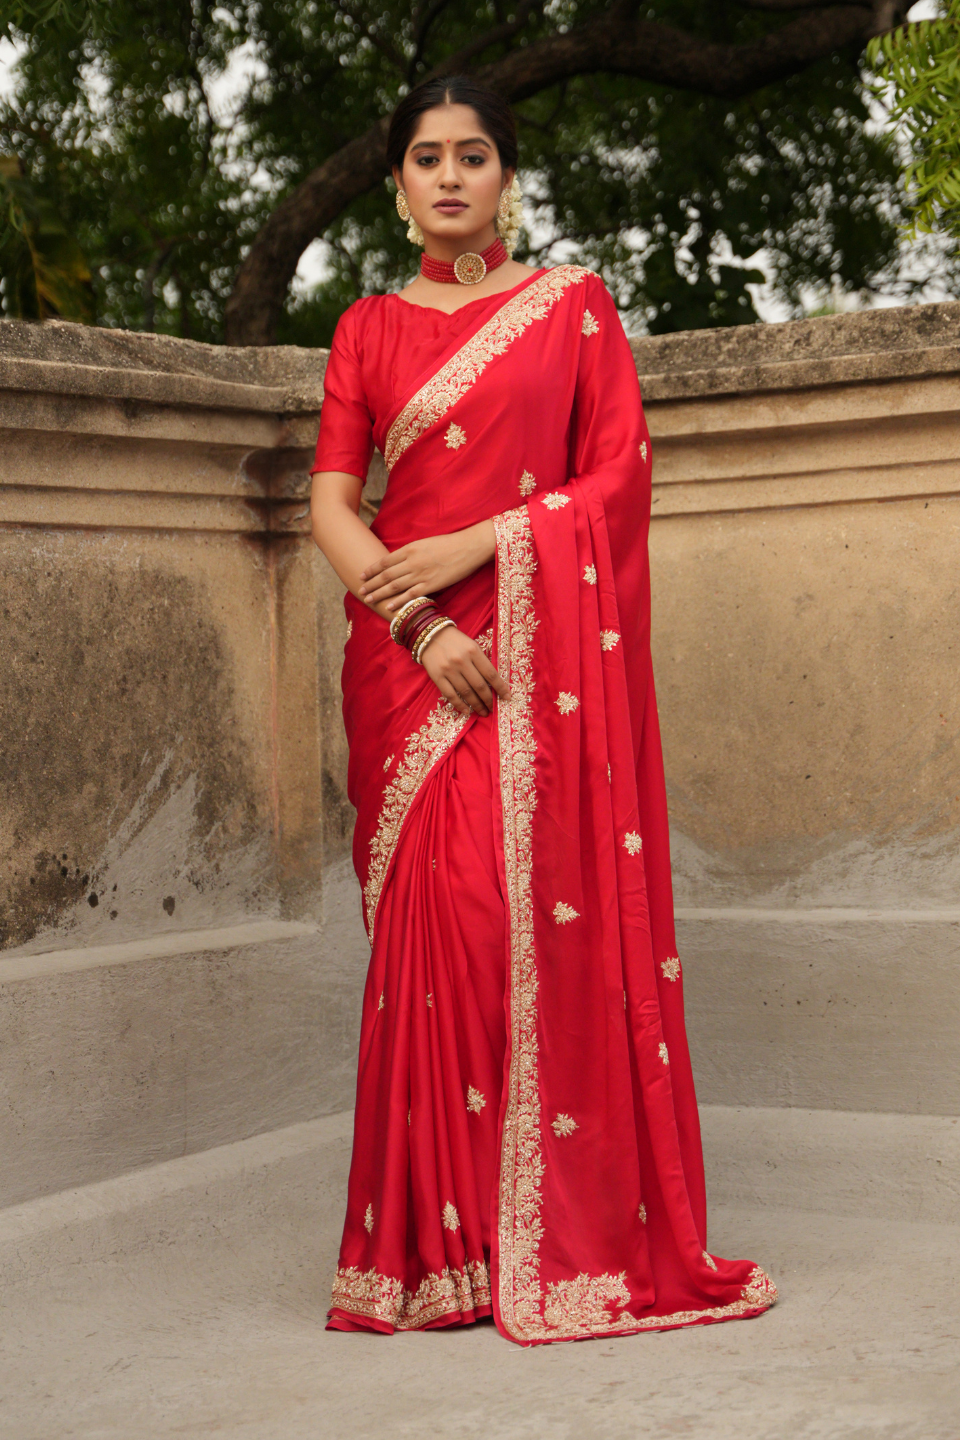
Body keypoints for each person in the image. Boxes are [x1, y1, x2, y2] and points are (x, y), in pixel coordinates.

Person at [309, 74, 776, 1347]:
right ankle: (438, 1251)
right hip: (413, 662)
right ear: (397, 184)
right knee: (440, 933)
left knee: (520, 919)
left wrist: (479, 542)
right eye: (424, 158)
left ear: (506, 176)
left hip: (533, 662)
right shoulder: (364, 329)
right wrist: (422, 621)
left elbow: (616, 480)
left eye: (472, 155)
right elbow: (333, 508)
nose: (450, 176)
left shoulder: (570, 308)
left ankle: (542, 1225)